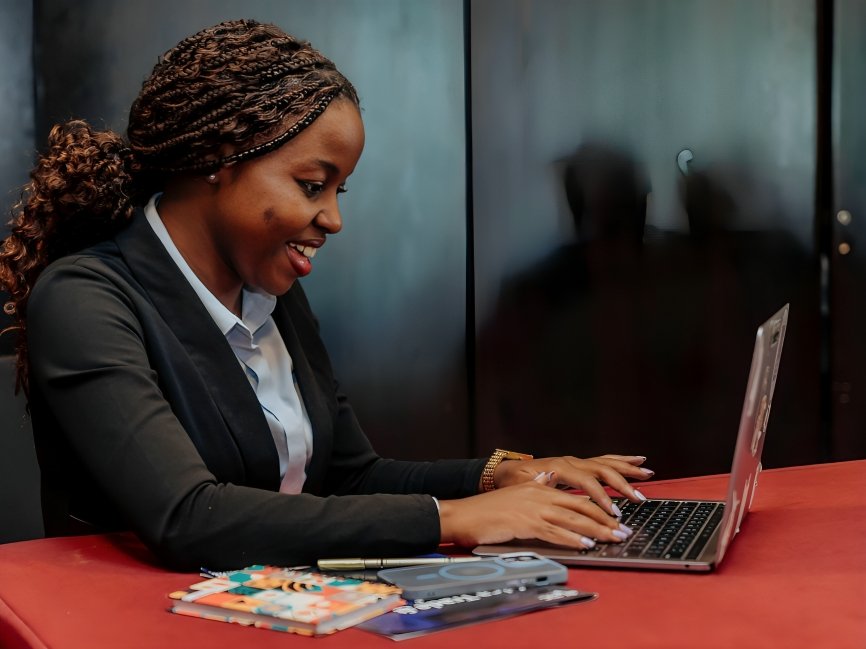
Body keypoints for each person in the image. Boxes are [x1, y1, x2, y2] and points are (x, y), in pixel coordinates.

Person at [0, 19, 652, 570]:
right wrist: (454, 519)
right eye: (313, 184)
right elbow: (189, 515)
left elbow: (349, 474)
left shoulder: (272, 292)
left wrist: (502, 476)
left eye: (340, 191)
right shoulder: (85, 298)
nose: (333, 219)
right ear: (220, 157)